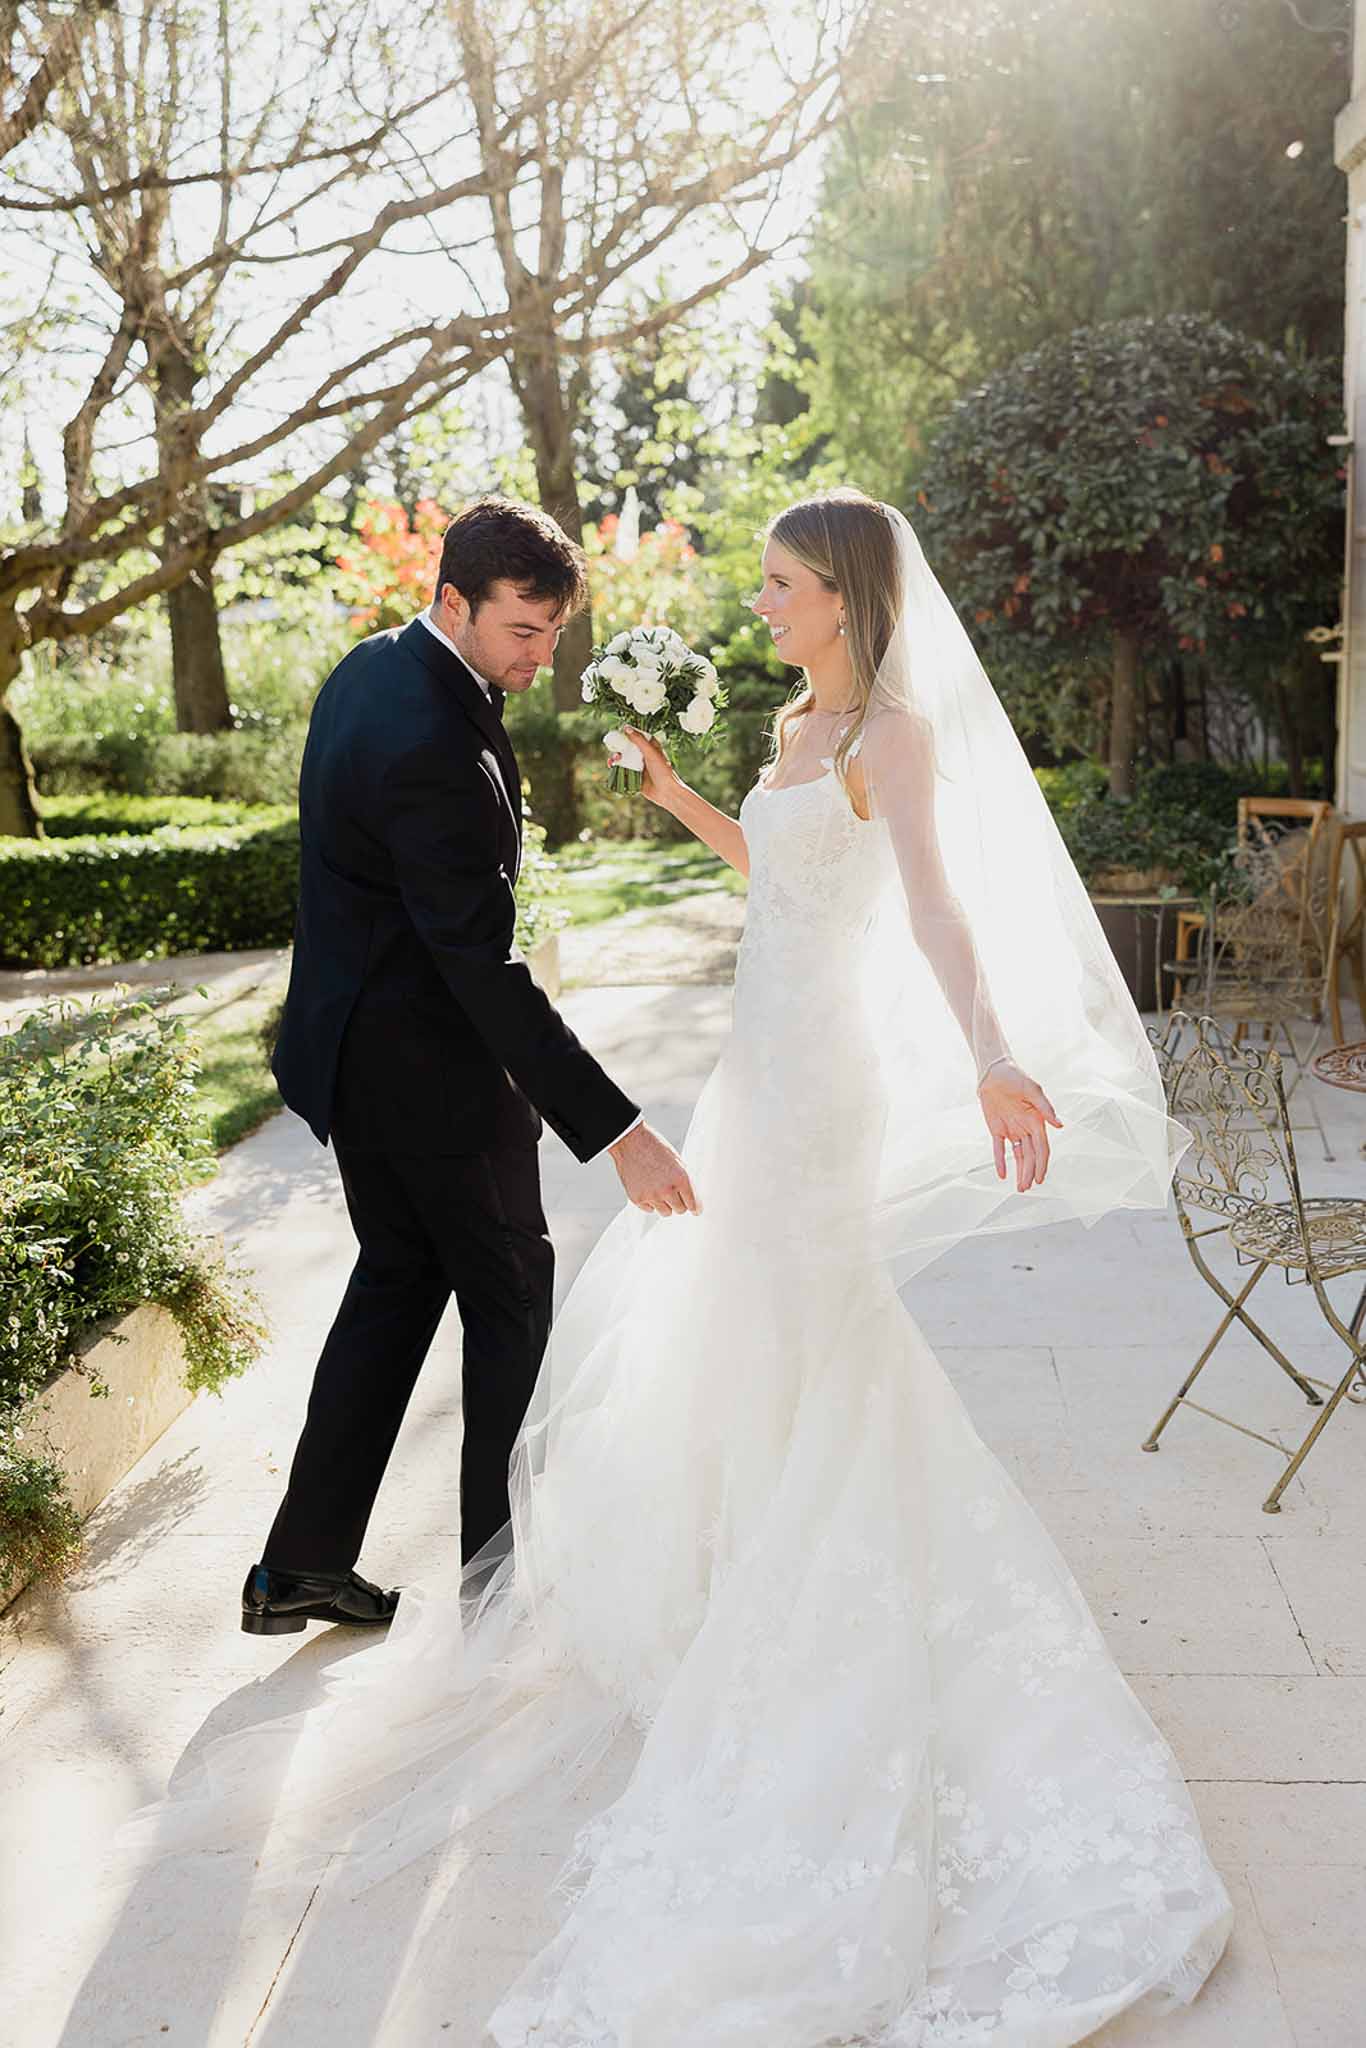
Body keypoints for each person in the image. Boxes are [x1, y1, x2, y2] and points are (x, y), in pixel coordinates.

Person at [123, 489, 1232, 2044]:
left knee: (768, 1321)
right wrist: (687, 820)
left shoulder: (888, 735)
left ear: (846, 594)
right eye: (528, 627)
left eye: (782, 584)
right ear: (462, 600)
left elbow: (929, 906)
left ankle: (640, 1571)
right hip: (703, 1066)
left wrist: (990, 1054)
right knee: (658, 1313)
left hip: (812, 1077)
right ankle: (589, 1561)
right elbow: (751, 879)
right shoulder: (781, 725)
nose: (762, 604)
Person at [249, 496, 697, 1637]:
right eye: (522, 633)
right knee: (509, 1302)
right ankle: (502, 1595)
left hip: (355, 1056)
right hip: (430, 1077)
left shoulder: (374, 667)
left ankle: (299, 1562)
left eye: (552, 634)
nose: (540, 659)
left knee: (397, 1284)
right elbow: (482, 966)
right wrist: (618, 1126)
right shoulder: (425, 738)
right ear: (454, 599)